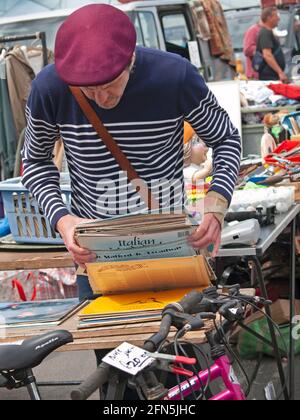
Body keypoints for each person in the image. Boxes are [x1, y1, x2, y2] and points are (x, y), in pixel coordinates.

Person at [22, 4, 241, 304]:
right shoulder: (50, 88)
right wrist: (63, 220)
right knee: (114, 351)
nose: (101, 98)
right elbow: (35, 162)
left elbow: (226, 137)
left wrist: (216, 203)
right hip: (98, 256)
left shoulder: (174, 77)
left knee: (178, 345)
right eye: (88, 90)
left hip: (172, 246)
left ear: (131, 60)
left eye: (109, 85)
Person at [256, 7, 287, 82]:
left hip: (273, 75)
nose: (278, 19)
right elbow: (267, 55)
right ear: (269, 18)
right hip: (269, 76)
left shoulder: (268, 32)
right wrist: (280, 72)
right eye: (276, 16)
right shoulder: (265, 33)